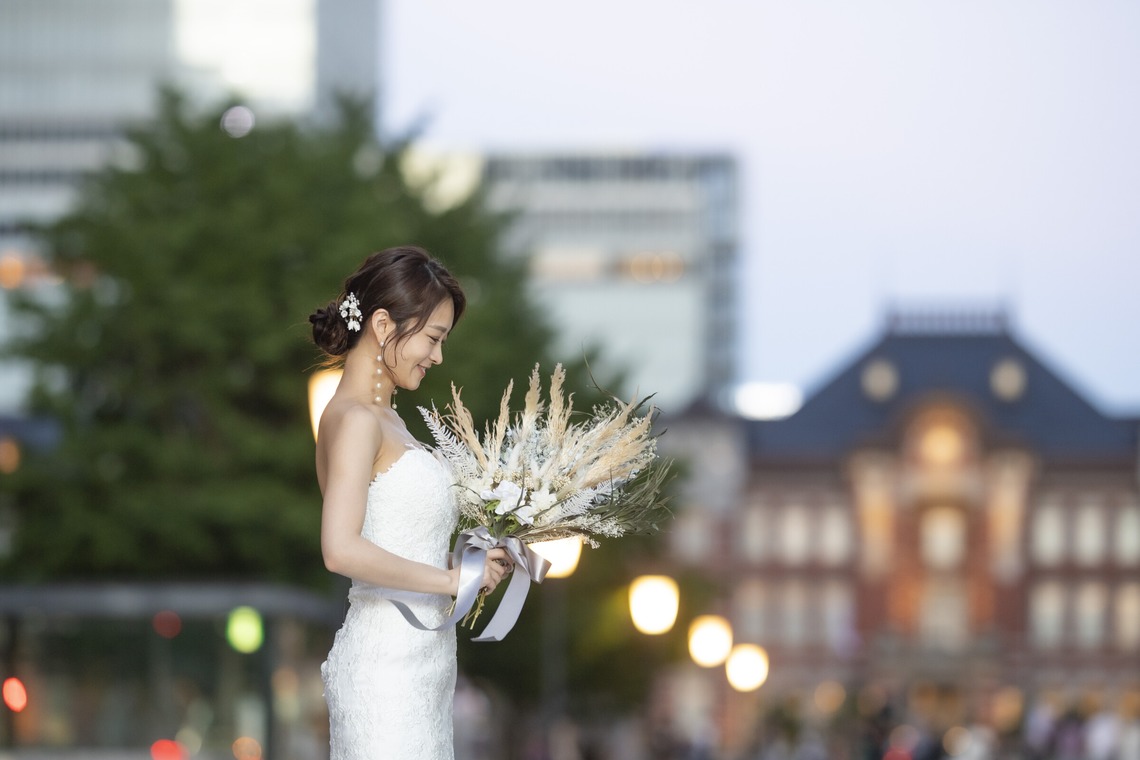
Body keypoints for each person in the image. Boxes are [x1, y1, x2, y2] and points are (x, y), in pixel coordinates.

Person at [309, 246, 512, 760]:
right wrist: (450, 581)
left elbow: (388, 542)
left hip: (425, 664)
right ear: (382, 324)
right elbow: (341, 550)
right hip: (386, 672)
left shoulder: (387, 419)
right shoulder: (354, 419)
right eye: (433, 338)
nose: (438, 356)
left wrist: (462, 566)